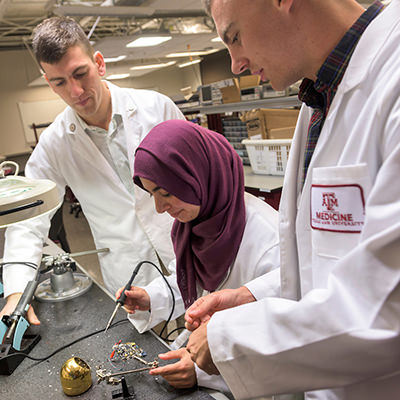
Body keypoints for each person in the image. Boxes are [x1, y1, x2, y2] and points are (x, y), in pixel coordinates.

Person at [184, 0, 400, 399]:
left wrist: (230, 338)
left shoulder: (392, 79)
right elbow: (329, 264)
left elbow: (388, 312)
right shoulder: (320, 96)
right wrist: (254, 296)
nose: (235, 63)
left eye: (234, 37)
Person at [0, 16, 184, 325]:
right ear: (49, 82)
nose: (74, 91)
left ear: (99, 63)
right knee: (151, 358)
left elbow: (203, 178)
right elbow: (29, 216)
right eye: (59, 82)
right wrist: (16, 291)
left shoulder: (157, 109)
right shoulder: (55, 144)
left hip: (185, 250)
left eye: (80, 74)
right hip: (128, 273)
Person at [115, 119, 280, 391]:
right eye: (151, 194)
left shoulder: (268, 240)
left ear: (200, 175)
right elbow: (195, 284)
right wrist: (150, 297)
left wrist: (203, 374)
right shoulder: (198, 222)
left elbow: (277, 340)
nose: (158, 208)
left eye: (166, 192)